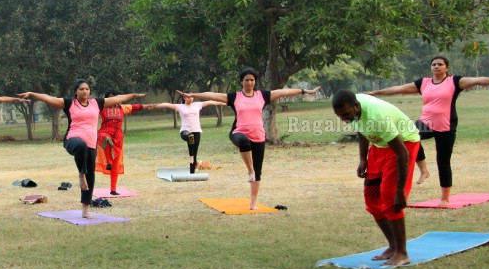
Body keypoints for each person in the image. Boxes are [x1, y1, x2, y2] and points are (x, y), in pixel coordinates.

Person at [367, 56, 489, 205]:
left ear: (447, 68)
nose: (436, 67)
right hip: (426, 122)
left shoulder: (455, 81)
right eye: (433, 64)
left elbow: (477, 80)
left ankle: (445, 198)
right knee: (407, 137)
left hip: (446, 125)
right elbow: (398, 89)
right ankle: (424, 170)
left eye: (440, 64)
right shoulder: (423, 83)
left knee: (443, 161)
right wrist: (375, 93)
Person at [180, 69, 320, 210]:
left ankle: (253, 203)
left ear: (255, 82)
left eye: (252, 80)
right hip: (238, 132)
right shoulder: (235, 97)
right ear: (242, 81)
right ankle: (249, 170)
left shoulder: (262, 96)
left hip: (259, 135)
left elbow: (283, 92)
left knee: (258, 172)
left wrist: (305, 91)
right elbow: (213, 95)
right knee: (244, 142)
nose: (249, 82)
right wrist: (192, 94)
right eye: (246, 80)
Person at [19, 81, 144, 218]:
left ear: (89, 91)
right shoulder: (69, 103)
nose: (84, 91)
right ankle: (81, 175)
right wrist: (32, 94)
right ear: (76, 91)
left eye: (87, 89)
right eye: (81, 89)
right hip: (72, 140)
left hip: (92, 144)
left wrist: (133, 95)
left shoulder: (96, 103)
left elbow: (117, 99)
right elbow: (49, 98)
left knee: (91, 177)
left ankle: (85, 210)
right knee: (81, 147)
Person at [332, 90, 421, 267]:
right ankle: (393, 246)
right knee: (372, 200)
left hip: (404, 145)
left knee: (390, 201)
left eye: (345, 114)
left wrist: (399, 190)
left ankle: (402, 254)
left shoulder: (376, 116)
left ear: (356, 106)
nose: (344, 119)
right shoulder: (353, 112)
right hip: (380, 146)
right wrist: (363, 159)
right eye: (339, 116)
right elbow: (362, 130)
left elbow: (402, 153)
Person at [150, 94, 224, 174]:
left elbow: (210, 102)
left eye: (191, 97)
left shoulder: (197, 105)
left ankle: (192, 172)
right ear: (184, 98)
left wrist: (226, 102)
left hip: (197, 131)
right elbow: (167, 104)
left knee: (194, 153)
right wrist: (153, 106)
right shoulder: (180, 106)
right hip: (185, 131)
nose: (190, 98)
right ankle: (191, 158)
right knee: (190, 136)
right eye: (188, 97)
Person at [94, 92, 147, 195]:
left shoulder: (122, 108)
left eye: (114, 98)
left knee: (116, 164)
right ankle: (108, 161)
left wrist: (151, 106)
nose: (113, 100)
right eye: (110, 98)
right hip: (105, 133)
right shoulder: (102, 108)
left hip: (118, 138)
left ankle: (113, 189)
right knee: (104, 138)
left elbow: (136, 107)